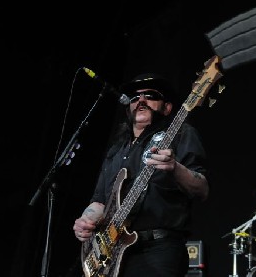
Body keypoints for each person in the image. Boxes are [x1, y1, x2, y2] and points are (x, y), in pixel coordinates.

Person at [72, 72, 209, 277]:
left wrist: (175, 167)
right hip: (111, 254)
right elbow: (100, 201)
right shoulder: (116, 150)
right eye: (135, 98)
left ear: (167, 107)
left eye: (151, 95)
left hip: (158, 249)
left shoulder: (181, 134)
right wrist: (85, 220)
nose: (141, 101)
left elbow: (202, 189)